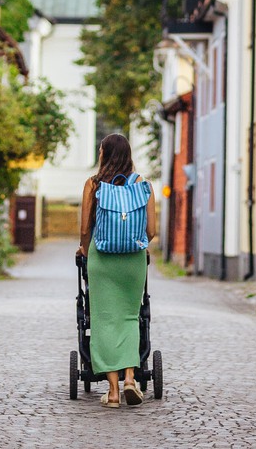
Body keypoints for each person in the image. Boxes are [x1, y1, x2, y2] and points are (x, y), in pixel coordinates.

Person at [77, 134, 157, 408]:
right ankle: (131, 380)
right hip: (133, 260)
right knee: (130, 317)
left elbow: (86, 228)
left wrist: (84, 251)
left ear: (104, 155)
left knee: (103, 320)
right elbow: (151, 231)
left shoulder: (94, 184)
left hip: (103, 258)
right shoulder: (143, 186)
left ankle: (112, 392)